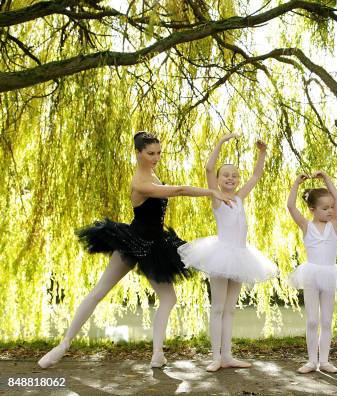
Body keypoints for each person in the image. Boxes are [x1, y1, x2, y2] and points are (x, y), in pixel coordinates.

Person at [38, 131, 233, 369]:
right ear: (138, 153)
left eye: (159, 152)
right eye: (150, 153)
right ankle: (63, 345)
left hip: (155, 244)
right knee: (99, 291)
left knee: (169, 298)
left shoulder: (151, 173)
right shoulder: (140, 182)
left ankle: (158, 354)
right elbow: (178, 190)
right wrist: (211, 191)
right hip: (134, 241)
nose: (156, 157)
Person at [178, 133, 278, 372]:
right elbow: (209, 168)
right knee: (218, 308)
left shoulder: (241, 197)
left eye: (234, 175)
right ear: (220, 180)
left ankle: (228, 355)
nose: (230, 178)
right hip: (221, 255)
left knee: (231, 309)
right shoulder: (217, 197)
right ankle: (215, 357)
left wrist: (262, 153)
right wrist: (221, 142)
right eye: (226, 175)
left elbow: (256, 175)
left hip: (242, 256)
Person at [287, 171, 337, 374]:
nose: (330, 210)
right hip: (311, 276)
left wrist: (327, 178)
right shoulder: (306, 226)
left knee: (327, 320)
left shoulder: (334, 225)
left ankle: (325, 361)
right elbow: (291, 206)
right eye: (325, 208)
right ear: (312, 209)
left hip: (329, 275)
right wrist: (296, 183)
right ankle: (311, 361)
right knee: (312, 320)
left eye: (331, 208)